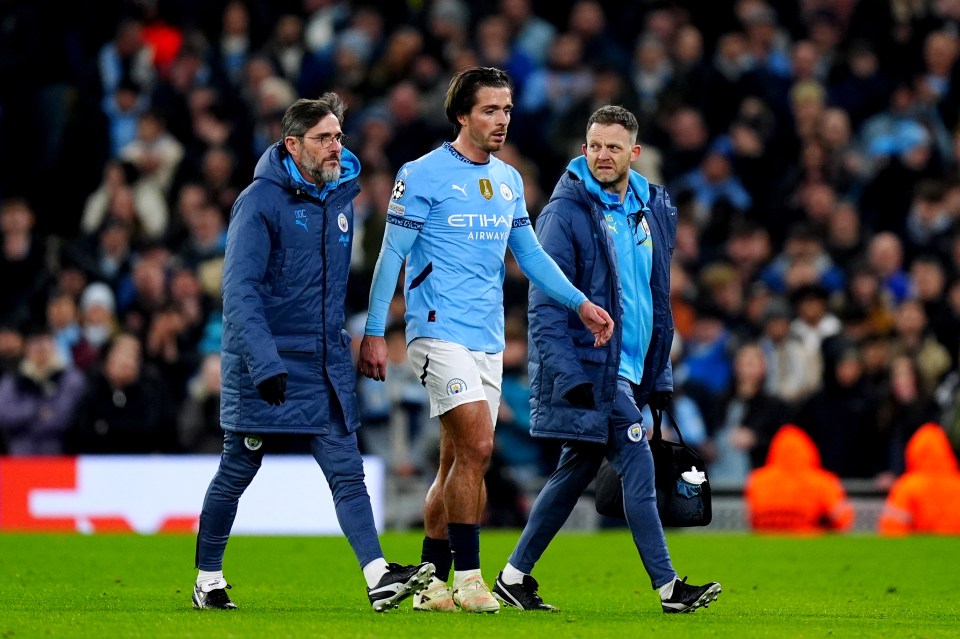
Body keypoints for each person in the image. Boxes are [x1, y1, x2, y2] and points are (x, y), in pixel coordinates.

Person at [357, 67, 614, 614]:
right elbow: (391, 257)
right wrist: (377, 331)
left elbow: (531, 255)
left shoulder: (507, 180)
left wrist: (581, 302)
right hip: (435, 330)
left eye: (507, 110)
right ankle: (471, 578)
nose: (501, 121)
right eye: (490, 110)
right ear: (462, 115)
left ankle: (430, 582)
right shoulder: (421, 174)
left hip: (487, 338)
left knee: (454, 463)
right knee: (478, 446)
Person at [192, 94, 434, 612]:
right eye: (324, 138)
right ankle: (207, 577)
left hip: (322, 360)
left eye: (339, 137)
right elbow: (239, 293)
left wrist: (367, 335)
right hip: (268, 363)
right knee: (238, 468)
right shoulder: (259, 201)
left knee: (347, 470)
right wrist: (264, 362)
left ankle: (377, 576)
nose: (335, 147)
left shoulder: (340, 196)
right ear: (292, 145)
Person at [490, 105, 720, 614]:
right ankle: (669, 588)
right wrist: (570, 376)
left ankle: (511, 576)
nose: (601, 155)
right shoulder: (564, 213)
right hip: (594, 370)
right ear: (583, 148)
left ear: (633, 153)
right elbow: (545, 304)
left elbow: (655, 299)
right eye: (594, 145)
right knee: (637, 462)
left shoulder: (652, 208)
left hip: (634, 369)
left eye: (613, 147)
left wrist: (658, 375)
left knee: (574, 470)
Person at [744, 424, 854, 533]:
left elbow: (752, 521)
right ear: (808, 450)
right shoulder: (821, 481)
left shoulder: (758, 480)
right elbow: (842, 520)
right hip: (810, 542)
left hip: (767, 543)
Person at [878, 422, 960, 535]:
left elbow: (891, 528)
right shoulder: (957, 484)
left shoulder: (908, 486)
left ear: (914, 450)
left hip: (916, 550)